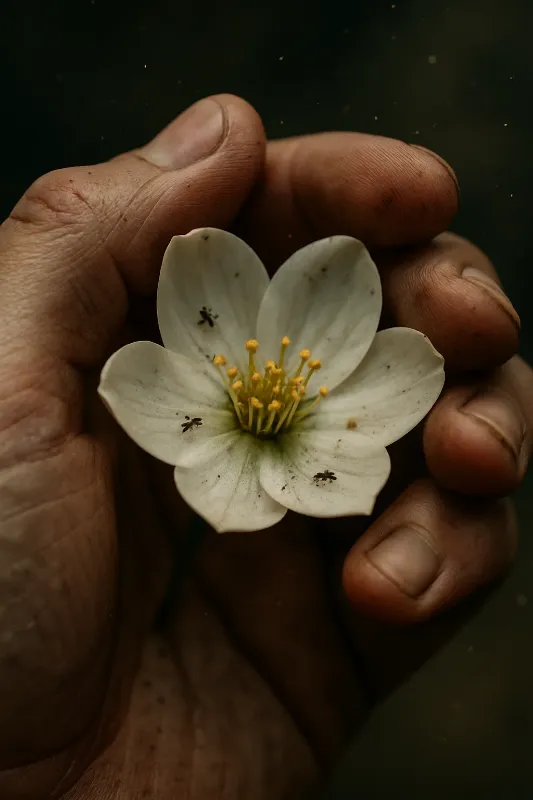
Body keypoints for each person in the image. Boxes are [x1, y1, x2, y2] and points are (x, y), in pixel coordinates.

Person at [0, 94, 530, 800]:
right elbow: (136, 379)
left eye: (276, 388)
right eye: (267, 387)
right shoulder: (147, 359)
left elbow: (405, 355)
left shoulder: (365, 342)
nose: (270, 391)